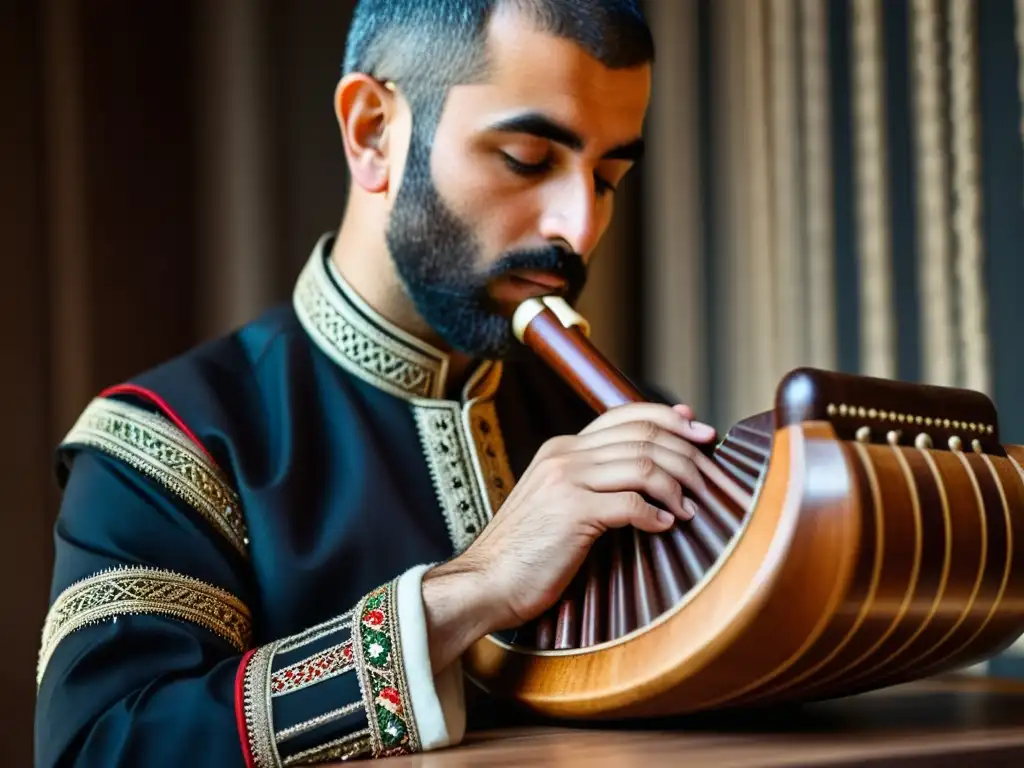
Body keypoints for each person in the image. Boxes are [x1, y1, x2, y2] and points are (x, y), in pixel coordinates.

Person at [33, 1, 716, 765]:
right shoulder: (166, 443)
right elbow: (96, 745)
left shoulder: (623, 421)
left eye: (609, 177)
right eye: (527, 157)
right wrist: (467, 592)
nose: (578, 225)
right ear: (372, 131)